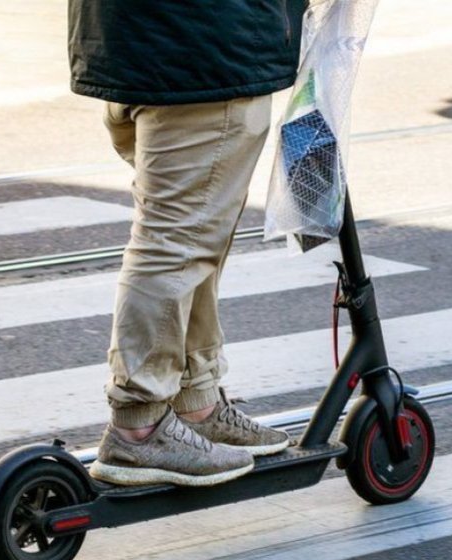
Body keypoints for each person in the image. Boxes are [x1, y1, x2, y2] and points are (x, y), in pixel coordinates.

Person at [67, 1, 307, 486]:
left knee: (192, 234)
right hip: (203, 45)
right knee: (175, 240)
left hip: (144, 40)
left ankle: (193, 402)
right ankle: (141, 425)